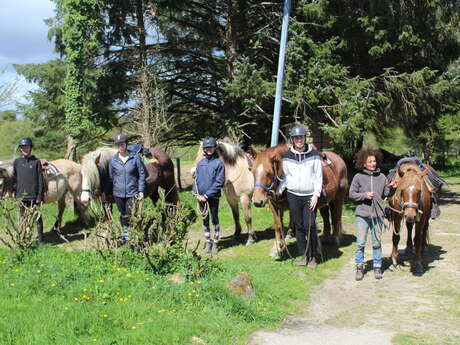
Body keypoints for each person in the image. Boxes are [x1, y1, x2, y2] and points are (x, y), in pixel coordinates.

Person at [277, 125, 323, 268]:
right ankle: (303, 255)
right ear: (292, 139)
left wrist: (316, 195)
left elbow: (318, 177)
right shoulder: (287, 156)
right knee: (298, 226)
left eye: (301, 137)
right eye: (296, 138)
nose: (299, 140)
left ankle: (314, 256)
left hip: (309, 195)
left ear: (305, 138)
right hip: (293, 196)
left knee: (310, 225)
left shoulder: (314, 154)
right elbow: (285, 177)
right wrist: (279, 190)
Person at [349, 148, 393, 281]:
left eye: (374, 161)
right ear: (364, 163)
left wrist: (393, 187)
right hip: (362, 216)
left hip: (377, 215)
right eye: (370, 162)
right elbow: (351, 194)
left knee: (376, 243)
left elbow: (386, 193)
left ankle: (377, 266)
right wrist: (364, 195)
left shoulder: (382, 177)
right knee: (360, 243)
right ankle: (359, 267)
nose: (373, 164)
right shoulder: (358, 177)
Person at [106, 133, 146, 239]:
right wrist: (105, 193)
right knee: (123, 215)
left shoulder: (135, 157)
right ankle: (126, 236)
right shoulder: (113, 160)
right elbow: (110, 178)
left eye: (122, 144)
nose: (120, 146)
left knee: (131, 215)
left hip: (132, 192)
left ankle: (134, 236)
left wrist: (141, 191)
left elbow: (142, 174)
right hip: (118, 194)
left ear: (126, 144)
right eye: (118, 144)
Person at [193, 137, 225, 254]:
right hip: (200, 198)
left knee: (214, 219)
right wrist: (195, 193)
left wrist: (206, 195)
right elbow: (195, 180)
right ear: (204, 150)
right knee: (204, 220)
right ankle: (208, 241)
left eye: (211, 147)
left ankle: (215, 243)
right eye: (207, 148)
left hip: (213, 197)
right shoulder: (200, 164)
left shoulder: (219, 164)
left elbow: (219, 182)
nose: (209, 149)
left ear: (215, 148)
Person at [13, 137, 44, 244]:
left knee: (37, 218)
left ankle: (40, 240)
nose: (25, 149)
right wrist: (14, 193)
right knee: (23, 218)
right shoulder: (17, 162)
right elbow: (15, 179)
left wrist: (39, 196)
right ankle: (24, 238)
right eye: (23, 147)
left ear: (31, 148)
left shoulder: (36, 162)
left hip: (34, 196)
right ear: (20, 149)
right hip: (21, 196)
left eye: (27, 147)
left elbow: (40, 180)